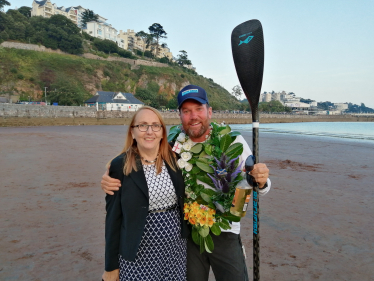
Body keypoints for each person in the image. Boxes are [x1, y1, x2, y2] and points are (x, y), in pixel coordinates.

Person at [102, 85, 271, 281]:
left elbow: (257, 183)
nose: (193, 116)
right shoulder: (174, 145)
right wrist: (109, 176)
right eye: (186, 111)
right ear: (180, 116)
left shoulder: (233, 142)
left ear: (209, 111)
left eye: (198, 109)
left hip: (225, 232)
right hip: (189, 234)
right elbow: (142, 153)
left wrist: (262, 180)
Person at [102, 106, 189, 281]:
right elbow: (113, 219)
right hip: (138, 255)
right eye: (142, 125)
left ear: (162, 132)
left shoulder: (175, 159)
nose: (149, 131)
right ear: (132, 132)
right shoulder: (120, 166)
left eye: (155, 125)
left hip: (175, 252)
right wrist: (111, 266)